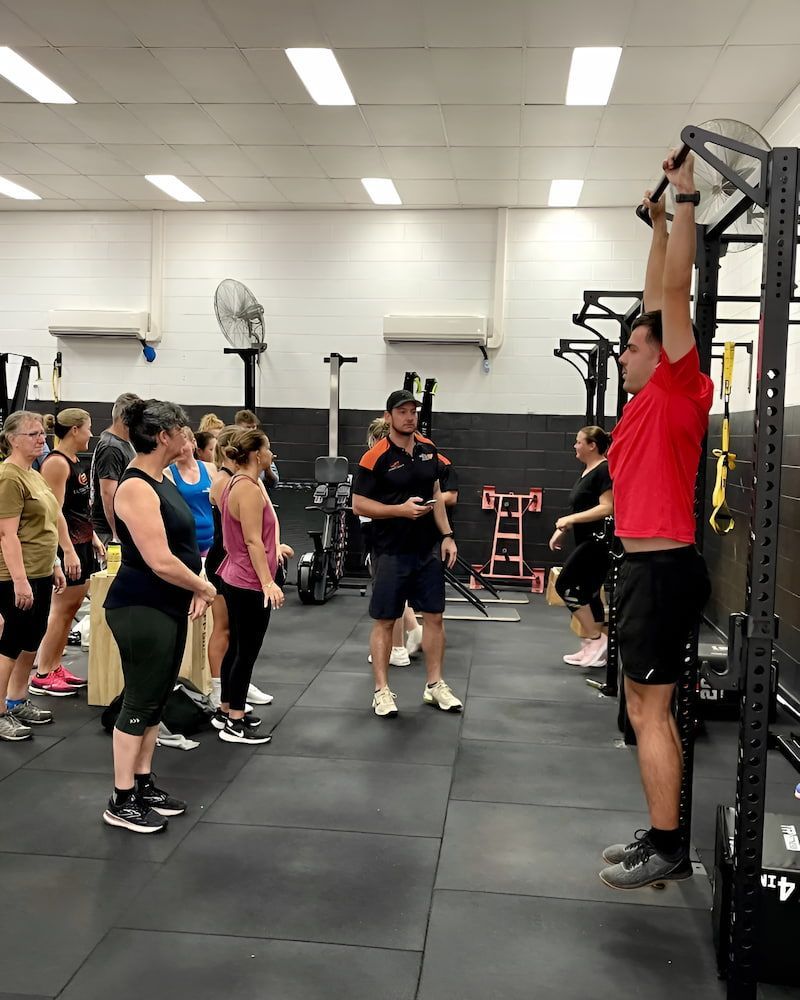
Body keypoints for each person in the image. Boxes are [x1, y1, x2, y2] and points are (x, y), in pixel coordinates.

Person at [599, 151, 713, 890]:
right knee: (642, 711)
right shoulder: (643, 401)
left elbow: (673, 291)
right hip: (643, 568)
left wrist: (688, 201)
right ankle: (661, 830)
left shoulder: (678, 385)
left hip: (664, 569)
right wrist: (656, 221)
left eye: (633, 347)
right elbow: (652, 291)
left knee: (651, 712)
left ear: (660, 354)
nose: (625, 355)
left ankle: (669, 844)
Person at [102, 399, 216, 834]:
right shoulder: (135, 487)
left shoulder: (161, 478)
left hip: (166, 605)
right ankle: (120, 797)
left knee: (156, 699)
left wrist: (196, 584)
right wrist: (203, 586)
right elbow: (160, 560)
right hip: (139, 606)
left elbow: (185, 546)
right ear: (163, 436)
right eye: (182, 431)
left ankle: (143, 783)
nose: (188, 437)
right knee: (139, 700)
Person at [352, 389, 461, 718]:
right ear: (389, 417)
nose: (409, 416)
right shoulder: (375, 458)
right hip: (391, 551)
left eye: (413, 410)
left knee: (435, 618)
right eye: (402, 411)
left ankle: (434, 685)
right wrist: (399, 510)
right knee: (386, 621)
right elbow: (359, 504)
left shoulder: (428, 450)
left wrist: (447, 535)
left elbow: (437, 495)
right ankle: (381, 691)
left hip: (426, 550)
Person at [209, 427, 284, 745]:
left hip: (236, 575)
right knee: (245, 651)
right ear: (256, 454)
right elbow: (252, 539)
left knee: (238, 646)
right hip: (248, 580)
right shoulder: (247, 489)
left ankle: (227, 710)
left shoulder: (236, 483)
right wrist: (267, 581)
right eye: (268, 450)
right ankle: (235, 722)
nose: (272, 455)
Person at [0, 411, 66, 740]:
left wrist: (54, 563)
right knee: (10, 643)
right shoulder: (9, 477)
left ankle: (17, 699)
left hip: (40, 571)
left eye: (42, 433)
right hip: (14, 576)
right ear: (13, 439)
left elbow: (48, 523)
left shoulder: (34, 474)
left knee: (31, 641)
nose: (42, 439)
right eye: (33, 434)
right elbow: (7, 535)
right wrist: (20, 580)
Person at [31, 409, 106, 697]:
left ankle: (55, 665)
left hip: (82, 543)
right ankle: (43, 673)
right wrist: (68, 551)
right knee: (61, 611)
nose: (90, 434)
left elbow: (80, 510)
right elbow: (55, 512)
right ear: (75, 430)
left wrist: (94, 537)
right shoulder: (57, 464)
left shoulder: (75, 461)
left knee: (71, 609)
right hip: (68, 547)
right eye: (88, 428)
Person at [549, 426, 613, 669]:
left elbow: (608, 507)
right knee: (589, 593)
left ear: (591, 445)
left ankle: (597, 639)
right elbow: (580, 508)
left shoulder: (604, 469)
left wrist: (570, 521)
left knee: (566, 585)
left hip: (599, 541)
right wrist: (562, 530)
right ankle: (592, 646)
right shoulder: (588, 471)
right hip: (586, 538)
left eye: (578, 442)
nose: (574, 446)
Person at [90, 392, 140, 546]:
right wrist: (116, 535)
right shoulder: (111, 447)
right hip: (108, 532)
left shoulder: (125, 443)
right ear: (126, 419)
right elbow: (107, 494)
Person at [164, 427, 215, 557]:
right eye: (174, 445)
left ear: (193, 443)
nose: (179, 449)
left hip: (211, 541)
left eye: (183, 444)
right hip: (184, 545)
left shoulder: (210, 469)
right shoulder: (167, 474)